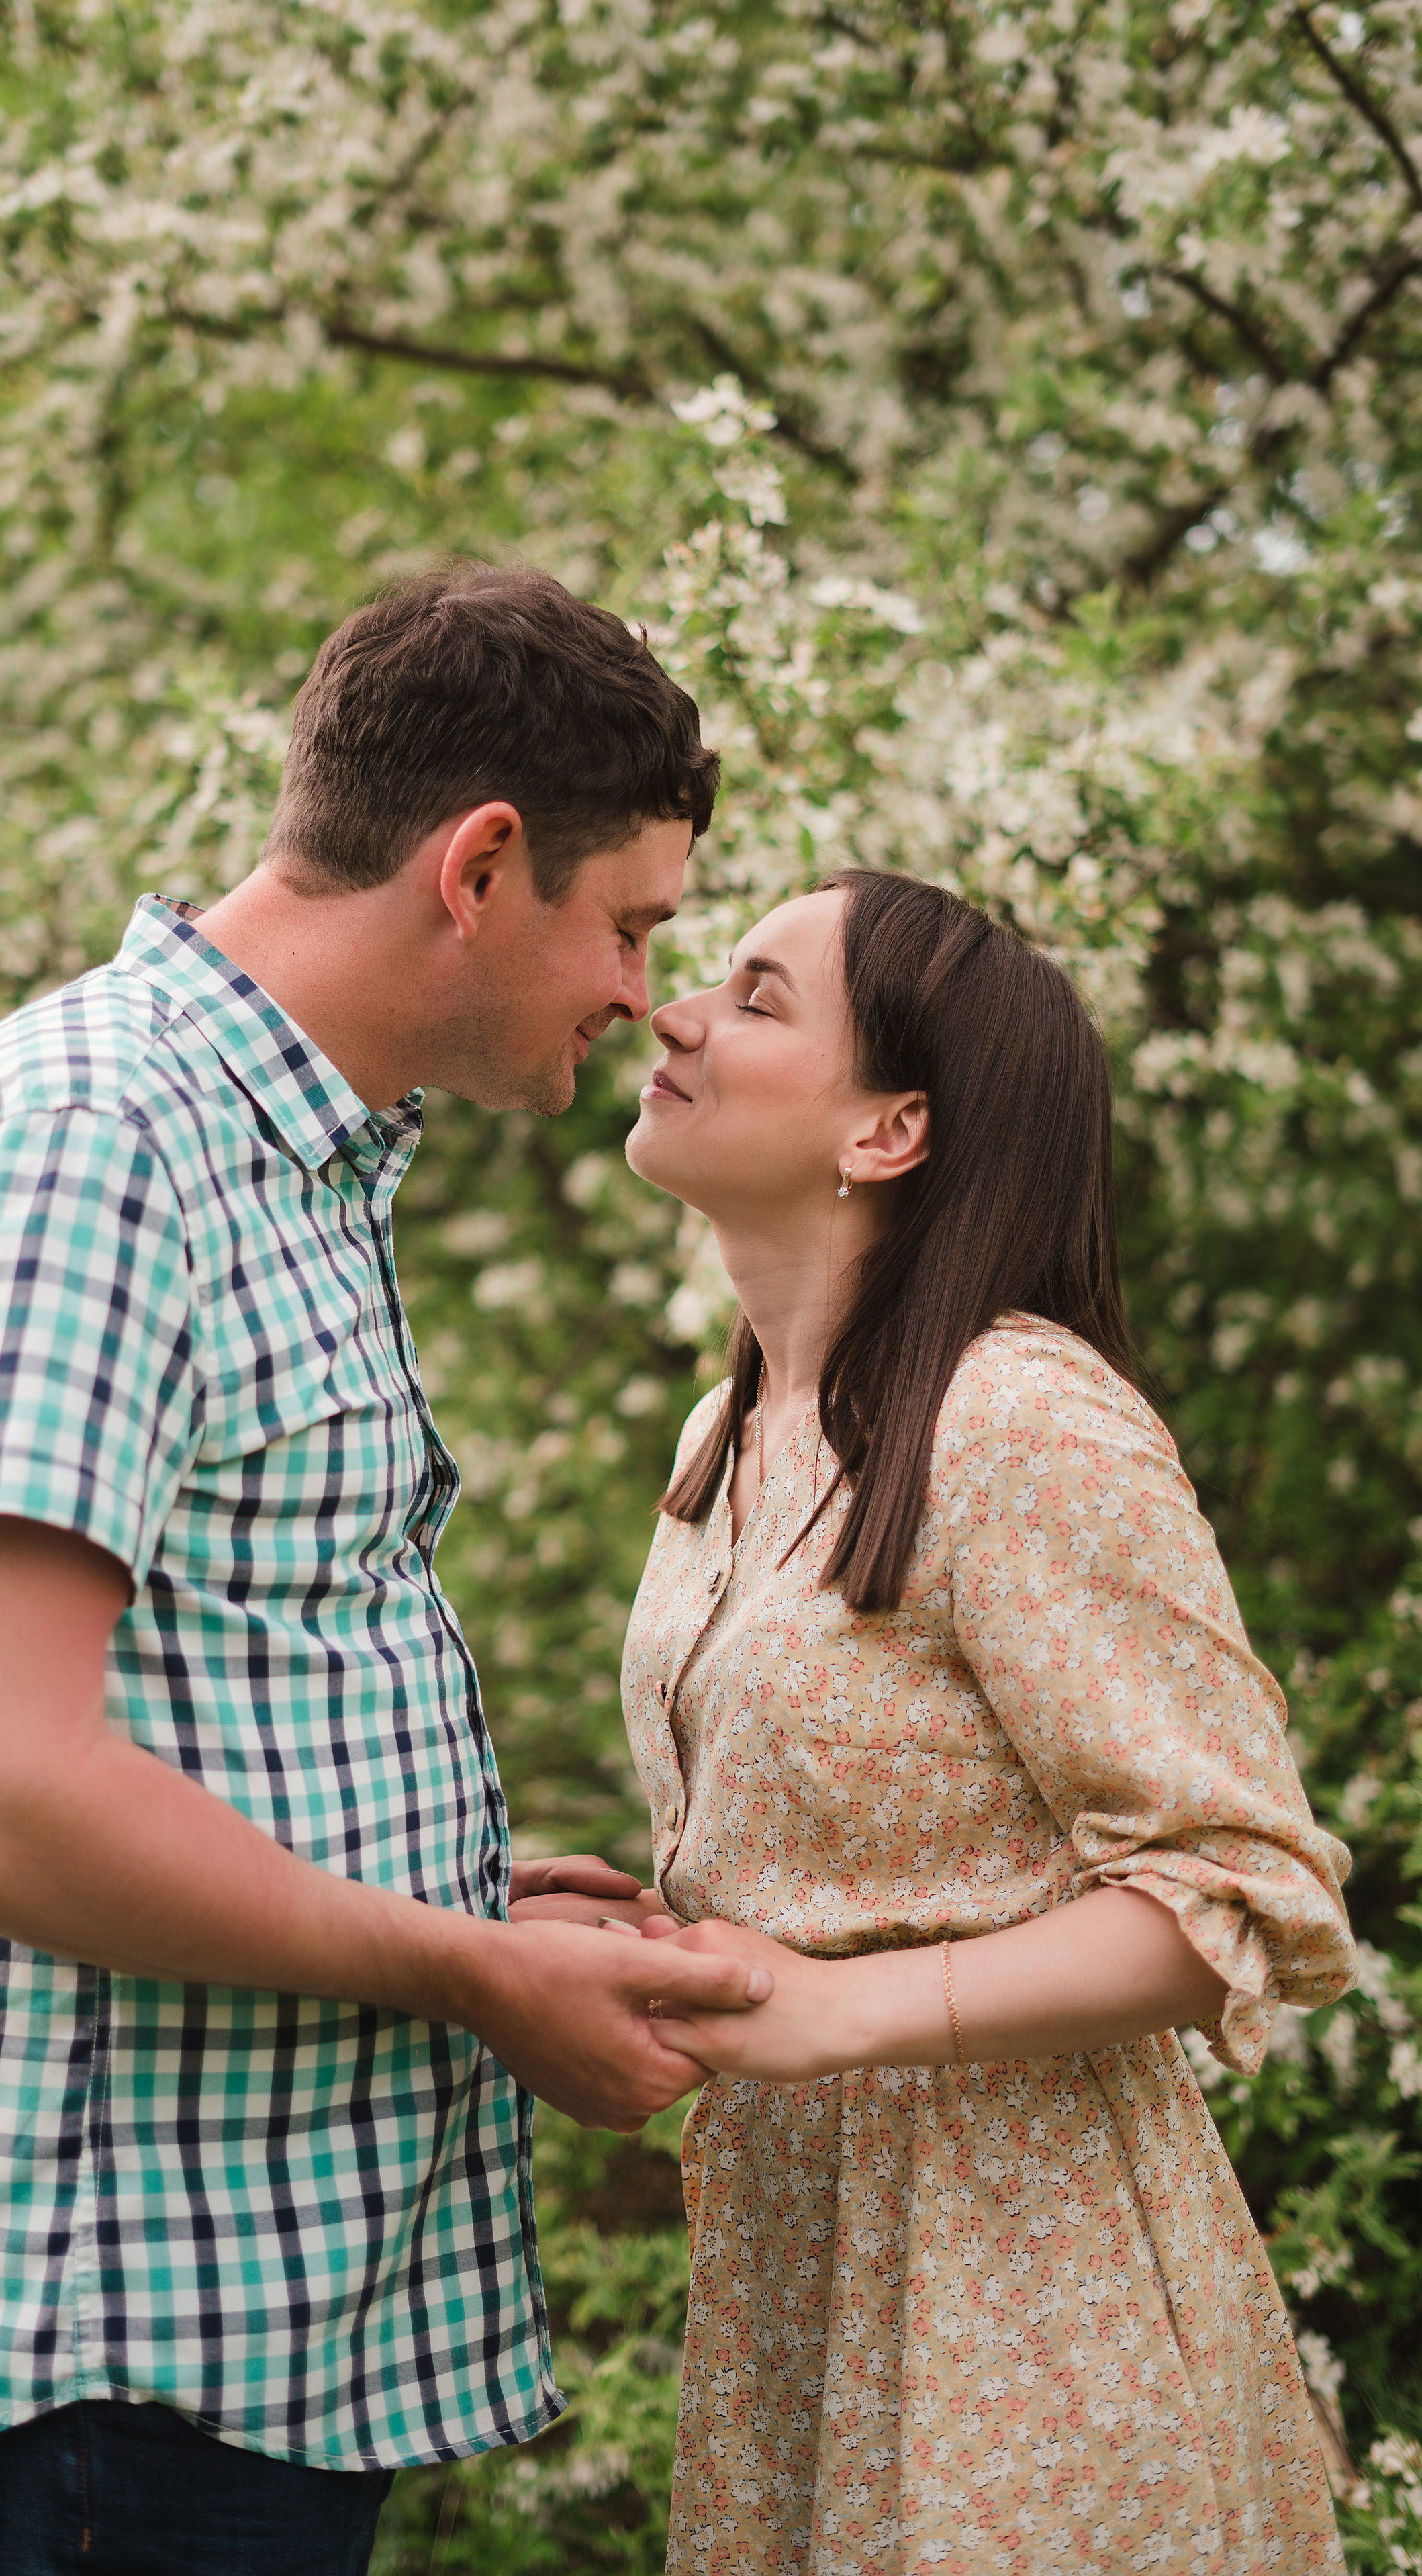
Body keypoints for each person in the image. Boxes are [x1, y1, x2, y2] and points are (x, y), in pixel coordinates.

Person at [0, 564, 777, 2576]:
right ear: (481, 862)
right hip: (120, 2346)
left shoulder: (288, 1151)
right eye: (630, 925)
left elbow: (188, 1679)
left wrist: (445, 1878)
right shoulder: (91, 1142)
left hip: (237, 2336)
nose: (643, 995)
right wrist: (471, 1967)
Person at [612, 869, 1358, 2574]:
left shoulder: (1015, 1419)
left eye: (755, 995)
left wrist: (832, 2009)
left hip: (1018, 2295)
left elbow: (1234, 1891)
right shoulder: (734, 1424)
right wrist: (653, 1928)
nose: (675, 1011)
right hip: (794, 2276)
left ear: (888, 1130)